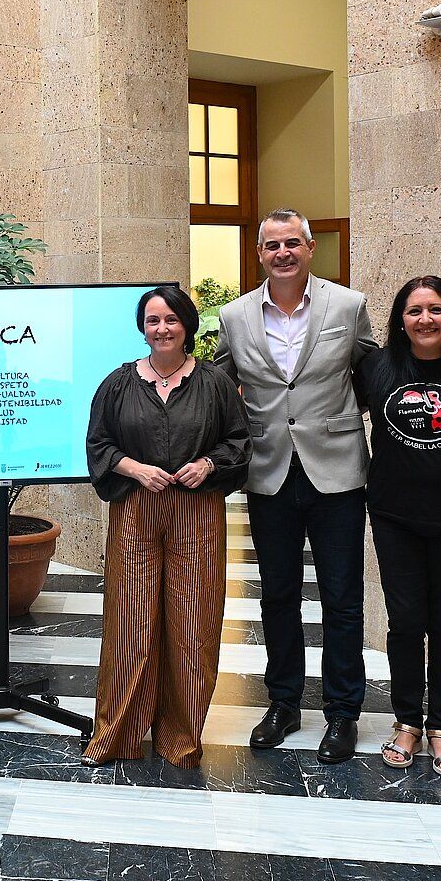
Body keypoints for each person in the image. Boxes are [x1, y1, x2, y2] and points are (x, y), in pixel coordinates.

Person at [214, 208, 377, 763]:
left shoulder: (348, 306)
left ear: (310, 248)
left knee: (342, 598)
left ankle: (342, 712)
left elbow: (374, 374)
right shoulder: (233, 316)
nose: (282, 253)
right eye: (271, 246)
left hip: (338, 468)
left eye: (292, 243)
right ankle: (283, 703)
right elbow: (215, 387)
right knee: (278, 594)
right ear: (259, 254)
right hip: (269, 470)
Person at [83, 285, 250, 767]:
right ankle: (120, 732)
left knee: (192, 622)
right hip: (135, 509)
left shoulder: (215, 383)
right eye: (153, 320)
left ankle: (180, 735)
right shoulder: (117, 383)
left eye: (172, 320)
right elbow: (98, 445)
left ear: (188, 326)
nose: (162, 329)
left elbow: (239, 441)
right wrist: (134, 469)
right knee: (131, 622)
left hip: (196, 513)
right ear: (142, 327)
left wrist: (210, 466)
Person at [356, 276, 441, 778]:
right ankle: (406, 722)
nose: (425, 320)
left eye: (435, 310)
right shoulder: (375, 368)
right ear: (400, 320)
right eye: (414, 311)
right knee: (405, 623)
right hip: (396, 517)